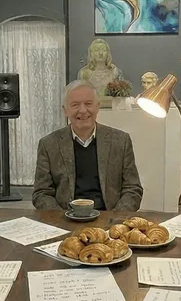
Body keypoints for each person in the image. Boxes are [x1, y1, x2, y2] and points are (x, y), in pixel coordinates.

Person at [33, 80, 142, 211]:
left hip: (109, 218)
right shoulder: (48, 144)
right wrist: (60, 218)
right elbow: (41, 193)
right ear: (65, 111)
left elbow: (133, 189)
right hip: (66, 217)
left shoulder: (120, 141)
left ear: (98, 107)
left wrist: (114, 218)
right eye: (75, 105)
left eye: (88, 104)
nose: (83, 110)